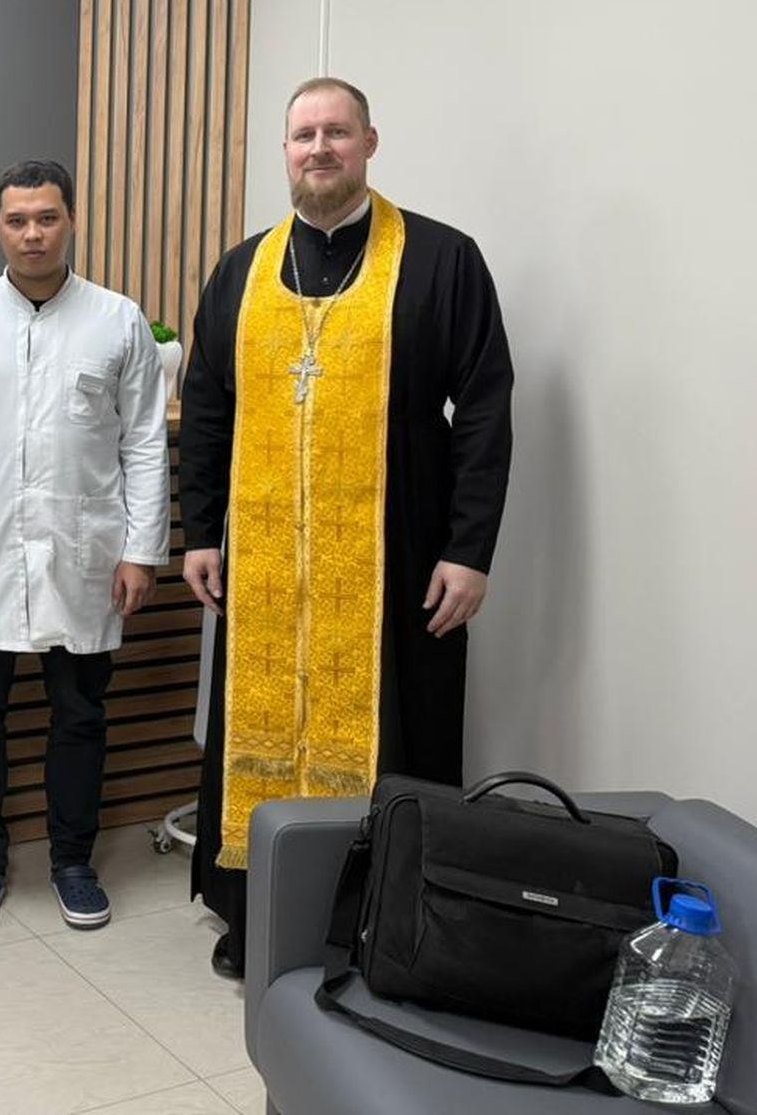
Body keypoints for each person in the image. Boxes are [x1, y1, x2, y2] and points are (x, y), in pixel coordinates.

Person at [181, 77, 514, 978]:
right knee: (260, 735)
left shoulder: (441, 260)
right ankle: (257, 916)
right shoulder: (242, 271)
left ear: (370, 143)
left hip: (397, 558)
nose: (319, 149)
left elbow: (484, 407)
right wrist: (201, 530)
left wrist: (469, 549)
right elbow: (207, 405)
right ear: (285, 152)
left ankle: (387, 925)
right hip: (265, 567)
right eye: (303, 135)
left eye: (336, 132)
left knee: (398, 736)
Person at [0, 160, 170, 934]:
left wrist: (141, 549)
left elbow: (145, 442)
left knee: (80, 714)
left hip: (82, 552)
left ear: (71, 221)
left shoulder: (118, 320)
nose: (33, 233)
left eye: (47, 217)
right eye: (18, 220)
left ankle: (72, 861)